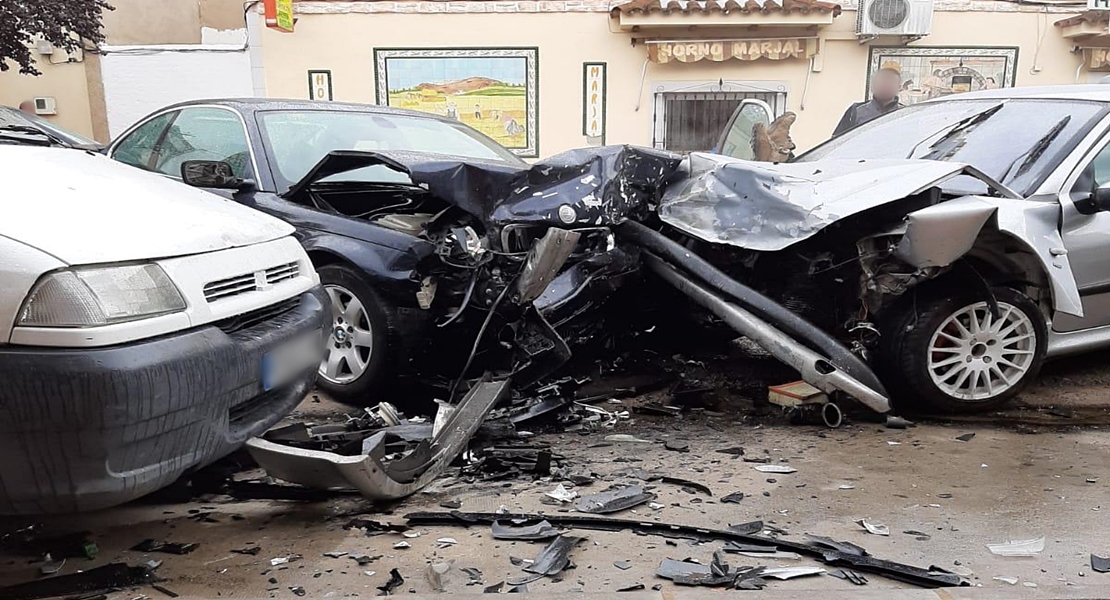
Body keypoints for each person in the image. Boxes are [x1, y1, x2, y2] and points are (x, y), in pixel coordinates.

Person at [832, 68, 904, 137]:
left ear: (899, 88)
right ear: (873, 86)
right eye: (882, 83)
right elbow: (838, 141)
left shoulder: (905, 113)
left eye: (890, 83)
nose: (885, 86)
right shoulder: (855, 111)